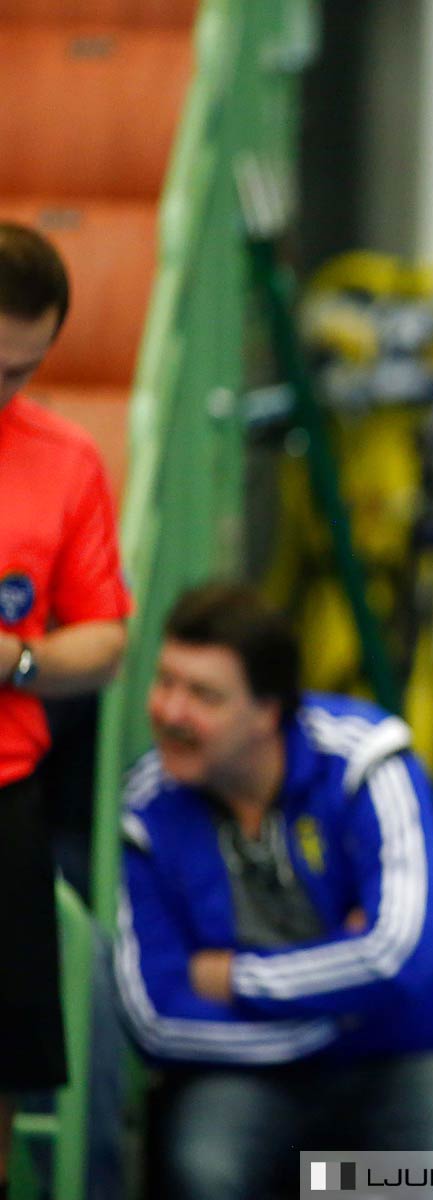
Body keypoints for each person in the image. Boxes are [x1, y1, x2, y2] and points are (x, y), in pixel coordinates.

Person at [115, 582, 433, 1199]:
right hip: (242, 1078)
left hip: (410, 1060)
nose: (171, 712)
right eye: (165, 683)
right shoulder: (147, 805)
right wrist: (339, 1005)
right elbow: (156, 1018)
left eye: (204, 696)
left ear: (268, 711)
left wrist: (238, 979)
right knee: (202, 1170)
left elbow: (398, 953)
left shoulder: (367, 760)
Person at [0, 221, 131, 1196]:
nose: (3, 388)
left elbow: (104, 641)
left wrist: (19, 658)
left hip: (6, 791)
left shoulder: (64, 459)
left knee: (5, 1071)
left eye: (21, 369)